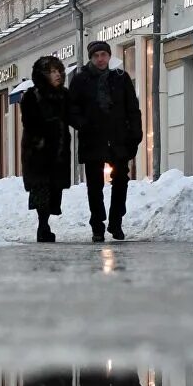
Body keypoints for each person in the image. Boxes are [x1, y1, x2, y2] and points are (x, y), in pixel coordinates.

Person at [66, 40, 142, 242]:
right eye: (96, 56)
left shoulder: (120, 78)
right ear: (91, 58)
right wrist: (84, 124)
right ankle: (97, 225)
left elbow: (132, 109)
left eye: (104, 55)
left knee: (121, 180)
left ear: (109, 57)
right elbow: (70, 109)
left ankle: (116, 222)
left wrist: (135, 135)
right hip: (93, 140)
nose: (100, 59)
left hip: (118, 139)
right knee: (94, 185)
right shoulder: (80, 80)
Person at [18, 55, 72, 243]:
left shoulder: (64, 95)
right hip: (38, 151)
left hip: (58, 150)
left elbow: (73, 117)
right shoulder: (32, 95)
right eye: (51, 72)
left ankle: (45, 223)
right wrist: (39, 139)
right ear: (42, 75)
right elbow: (29, 121)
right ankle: (43, 225)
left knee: (55, 189)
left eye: (58, 71)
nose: (56, 75)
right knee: (41, 188)